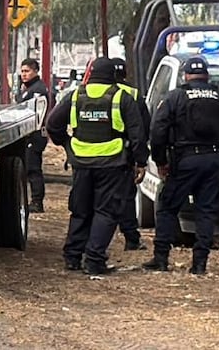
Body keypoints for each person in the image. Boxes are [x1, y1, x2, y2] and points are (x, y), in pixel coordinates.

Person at [143, 55, 219, 275]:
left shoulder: (175, 97)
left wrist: (160, 161)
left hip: (185, 160)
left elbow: (158, 129)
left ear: (186, 76)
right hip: (214, 160)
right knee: (206, 211)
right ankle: (200, 264)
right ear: (206, 76)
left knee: (168, 207)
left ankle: (161, 258)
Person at [46, 57, 148, 275]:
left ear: (90, 74)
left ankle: (73, 257)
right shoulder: (121, 97)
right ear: (113, 75)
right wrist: (140, 162)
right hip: (112, 163)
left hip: (81, 162)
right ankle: (94, 260)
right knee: (106, 212)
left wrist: (68, 144)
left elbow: (53, 123)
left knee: (80, 210)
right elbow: (137, 134)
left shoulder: (75, 96)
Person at [108, 57, 150, 251]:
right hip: (125, 155)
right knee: (126, 198)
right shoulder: (133, 94)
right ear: (125, 73)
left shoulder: (94, 92)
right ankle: (131, 238)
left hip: (93, 154)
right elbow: (143, 129)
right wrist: (140, 159)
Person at [17, 58, 53, 213]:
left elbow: (35, 113)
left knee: (33, 169)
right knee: (28, 168)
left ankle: (37, 202)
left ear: (35, 71)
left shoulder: (37, 90)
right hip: (28, 134)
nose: (24, 74)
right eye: (22, 71)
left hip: (34, 134)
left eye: (27, 71)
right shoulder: (27, 88)